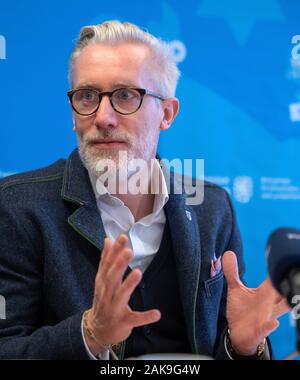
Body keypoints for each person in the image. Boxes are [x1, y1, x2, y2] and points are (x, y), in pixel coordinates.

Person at [0, 20, 289, 360]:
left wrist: (241, 346)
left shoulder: (212, 208)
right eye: (87, 96)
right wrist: (89, 335)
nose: (103, 117)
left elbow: (225, 344)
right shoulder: (18, 206)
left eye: (125, 96)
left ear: (167, 113)